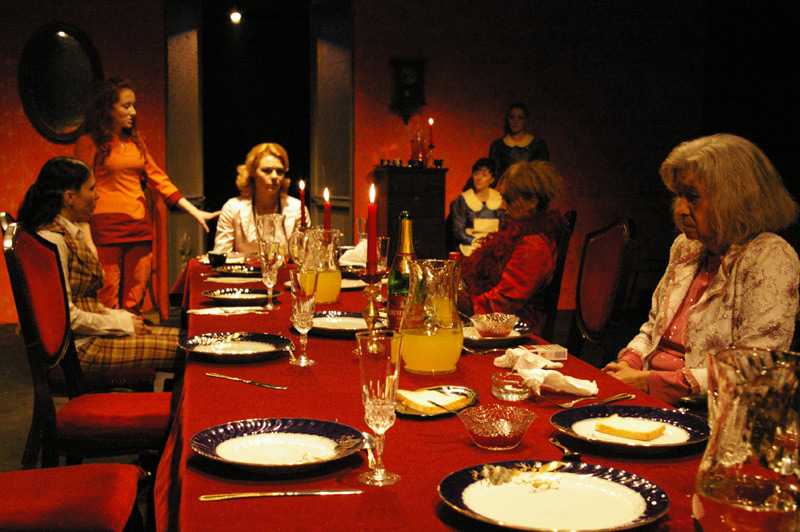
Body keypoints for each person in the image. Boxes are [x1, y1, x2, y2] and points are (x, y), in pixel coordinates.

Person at [603, 133, 800, 406]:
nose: (681, 209)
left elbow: (755, 371)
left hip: (706, 411)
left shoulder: (770, 256)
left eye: (693, 197)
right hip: (647, 392)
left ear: (735, 198)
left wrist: (648, 382)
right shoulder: (687, 247)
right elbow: (652, 330)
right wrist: (628, 363)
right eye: (679, 196)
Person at [17, 157, 182, 372]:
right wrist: (121, 324)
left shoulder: (69, 233)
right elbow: (65, 317)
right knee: (188, 351)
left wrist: (122, 317)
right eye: (91, 188)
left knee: (186, 339)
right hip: (80, 349)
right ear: (70, 197)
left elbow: (87, 303)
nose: (97, 195)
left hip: (93, 337)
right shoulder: (53, 239)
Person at [75, 77, 219, 315]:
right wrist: (85, 234)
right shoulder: (89, 142)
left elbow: (158, 178)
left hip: (139, 225)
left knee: (137, 288)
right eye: (126, 106)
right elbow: (80, 188)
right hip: (106, 227)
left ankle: (134, 330)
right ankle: (111, 334)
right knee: (108, 290)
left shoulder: (135, 142)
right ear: (108, 108)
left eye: (134, 105)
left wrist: (194, 211)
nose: (133, 112)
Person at [459, 160, 568, 335]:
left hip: (517, 332)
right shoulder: (516, 237)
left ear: (532, 202)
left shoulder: (533, 245)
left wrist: (459, 307)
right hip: (497, 325)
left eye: (509, 199)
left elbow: (503, 303)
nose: (502, 206)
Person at [212, 142, 309, 254]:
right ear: (252, 172)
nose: (274, 176)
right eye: (267, 170)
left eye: (279, 171)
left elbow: (304, 255)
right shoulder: (233, 208)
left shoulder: (297, 209)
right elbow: (221, 254)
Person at [449, 158, 505, 256]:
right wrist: (474, 241)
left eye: (484, 175)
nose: (479, 178)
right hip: (471, 246)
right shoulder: (463, 200)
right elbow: (458, 230)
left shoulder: (499, 199)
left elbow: (504, 227)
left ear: (492, 179)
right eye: (476, 174)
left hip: (494, 245)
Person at [488, 102, 549, 178]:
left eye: (520, 118)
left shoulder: (537, 144)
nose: (515, 121)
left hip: (530, 184)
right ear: (507, 119)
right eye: (512, 117)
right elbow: (494, 175)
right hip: (506, 184)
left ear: (526, 120)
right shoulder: (498, 145)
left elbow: (544, 173)